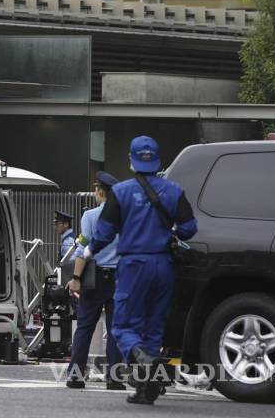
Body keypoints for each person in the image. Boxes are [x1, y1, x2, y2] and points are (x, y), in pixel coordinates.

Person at [83, 136, 198, 405]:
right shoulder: (174, 190)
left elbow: (105, 232)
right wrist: (173, 232)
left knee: (123, 326)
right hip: (164, 264)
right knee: (154, 328)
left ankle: (142, 360)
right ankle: (145, 390)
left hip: (134, 265)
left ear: (131, 160)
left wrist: (89, 251)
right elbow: (190, 228)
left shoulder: (121, 192)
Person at [65, 171, 124, 391]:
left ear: (100, 191)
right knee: (116, 330)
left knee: (85, 327)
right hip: (119, 278)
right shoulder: (124, 216)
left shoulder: (89, 216)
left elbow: (83, 250)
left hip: (94, 277)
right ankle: (115, 378)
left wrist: (75, 278)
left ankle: (75, 376)